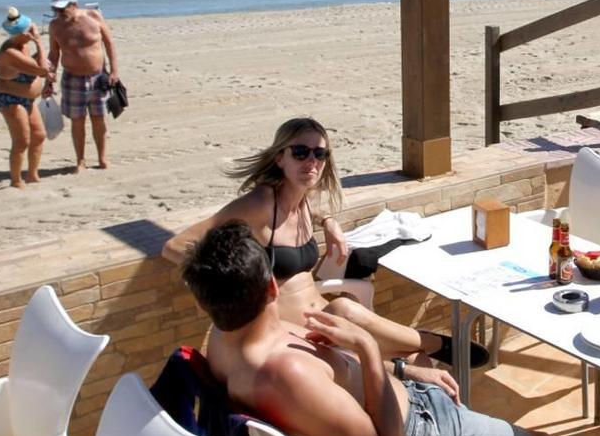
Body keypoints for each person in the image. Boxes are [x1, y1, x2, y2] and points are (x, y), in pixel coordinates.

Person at [183, 221, 600, 436]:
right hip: (421, 431)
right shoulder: (282, 373)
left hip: (406, 396)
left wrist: (402, 368)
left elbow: (335, 383)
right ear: (271, 287)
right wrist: (370, 352)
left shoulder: (224, 338)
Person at [163, 117, 488, 388]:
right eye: (300, 152)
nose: (311, 162)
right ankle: (434, 341)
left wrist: (329, 221)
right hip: (290, 325)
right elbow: (175, 246)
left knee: (398, 348)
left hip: (323, 313)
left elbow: (315, 208)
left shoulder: (303, 198)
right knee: (347, 311)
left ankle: (428, 349)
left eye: (319, 154)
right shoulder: (262, 204)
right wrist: (240, 284)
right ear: (280, 158)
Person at [43, 0, 119, 172]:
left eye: (62, 9)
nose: (59, 13)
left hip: (98, 76)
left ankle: (102, 158)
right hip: (72, 79)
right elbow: (54, 53)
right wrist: (49, 78)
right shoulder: (55, 26)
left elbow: (109, 43)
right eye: (56, 9)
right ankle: (80, 161)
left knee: (99, 118)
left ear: (74, 5)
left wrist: (114, 71)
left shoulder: (94, 16)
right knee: (77, 120)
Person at [0, 7, 50, 188]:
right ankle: (16, 180)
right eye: (31, 31)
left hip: (27, 99)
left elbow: (35, 64)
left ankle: (32, 174)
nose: (34, 33)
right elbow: (41, 70)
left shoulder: (23, 45)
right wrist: (40, 43)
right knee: (22, 140)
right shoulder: (10, 52)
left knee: (39, 135)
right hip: (11, 99)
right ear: (22, 33)